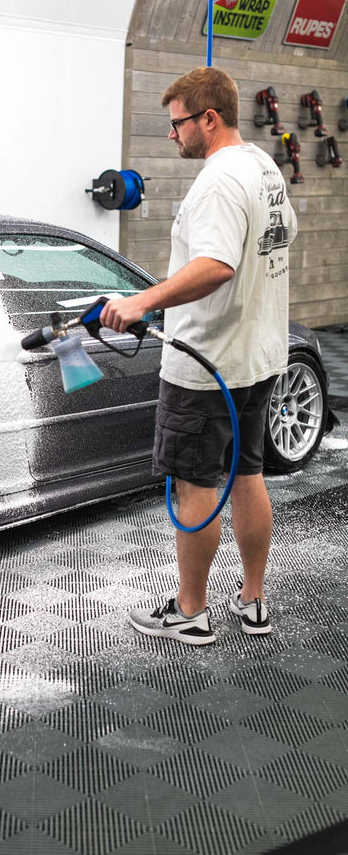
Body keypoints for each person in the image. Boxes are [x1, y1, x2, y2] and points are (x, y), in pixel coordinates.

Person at [100, 67, 297, 645]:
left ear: (209, 119)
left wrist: (143, 302)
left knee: (195, 485)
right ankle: (254, 602)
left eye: (177, 123)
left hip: (207, 363)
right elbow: (277, 241)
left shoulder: (216, 181)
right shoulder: (264, 167)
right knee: (249, 474)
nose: (172, 135)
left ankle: (191, 611)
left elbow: (216, 265)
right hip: (259, 356)